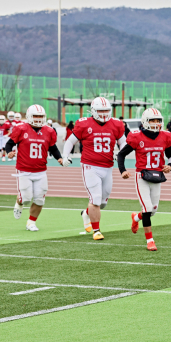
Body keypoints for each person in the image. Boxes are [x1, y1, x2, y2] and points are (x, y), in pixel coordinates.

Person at [61, 97, 126, 240]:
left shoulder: (116, 124)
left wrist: (120, 154)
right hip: (90, 166)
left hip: (108, 166)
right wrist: (65, 156)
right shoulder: (84, 124)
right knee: (95, 199)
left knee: (102, 203)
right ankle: (96, 230)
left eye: (106, 110)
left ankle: (86, 213)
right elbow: (70, 141)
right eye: (100, 111)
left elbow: (124, 143)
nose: (104, 114)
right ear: (93, 111)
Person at [117, 108, 171, 251]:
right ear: (145, 121)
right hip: (142, 176)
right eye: (152, 120)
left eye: (158, 120)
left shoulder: (165, 136)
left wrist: (170, 165)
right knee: (147, 208)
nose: (156, 123)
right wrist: (123, 170)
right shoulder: (137, 136)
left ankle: (136, 217)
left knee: (153, 210)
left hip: (157, 176)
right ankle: (150, 241)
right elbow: (121, 155)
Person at [7, 105, 63, 231]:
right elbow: (9, 143)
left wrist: (59, 158)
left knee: (39, 199)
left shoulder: (49, 131)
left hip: (41, 171)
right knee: (25, 198)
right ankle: (19, 202)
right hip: (24, 170)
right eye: (35, 116)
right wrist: (9, 152)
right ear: (29, 116)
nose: (38, 119)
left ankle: (31, 222)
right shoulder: (21, 128)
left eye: (41, 116)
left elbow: (52, 147)